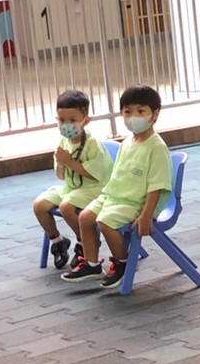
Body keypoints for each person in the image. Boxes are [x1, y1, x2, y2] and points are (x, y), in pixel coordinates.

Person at [64, 85, 172, 289]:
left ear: (155, 114)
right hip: (114, 196)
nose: (133, 117)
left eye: (141, 111)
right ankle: (92, 265)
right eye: (127, 111)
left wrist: (147, 215)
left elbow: (157, 186)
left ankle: (122, 262)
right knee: (85, 217)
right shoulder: (128, 142)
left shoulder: (156, 147)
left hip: (136, 203)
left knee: (105, 221)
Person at [34, 90, 115, 269]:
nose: (66, 125)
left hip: (96, 187)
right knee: (39, 205)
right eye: (62, 120)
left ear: (86, 120)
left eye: (72, 120)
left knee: (66, 207)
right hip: (72, 187)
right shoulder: (63, 141)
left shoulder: (92, 144)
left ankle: (85, 241)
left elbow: (95, 174)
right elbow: (61, 175)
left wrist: (69, 162)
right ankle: (57, 240)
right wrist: (61, 163)